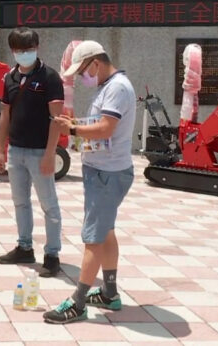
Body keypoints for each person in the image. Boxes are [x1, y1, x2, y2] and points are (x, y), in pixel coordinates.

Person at [44, 41, 136, 324]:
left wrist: (73, 128)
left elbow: (107, 128)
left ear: (96, 62)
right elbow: (100, 124)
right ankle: (109, 293)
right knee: (105, 231)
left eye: (83, 71)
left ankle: (78, 302)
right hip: (104, 171)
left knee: (93, 238)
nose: (83, 77)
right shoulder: (108, 86)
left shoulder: (118, 88)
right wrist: (76, 124)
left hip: (107, 174)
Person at [0, 27, 63, 277]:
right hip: (16, 151)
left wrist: (50, 154)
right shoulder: (10, 78)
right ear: (13, 51)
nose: (25, 54)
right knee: (20, 202)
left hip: (39, 151)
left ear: (37, 48)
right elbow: (5, 115)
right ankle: (25, 247)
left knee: (49, 205)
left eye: (29, 49)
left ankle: (52, 254)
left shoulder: (49, 77)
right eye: (20, 50)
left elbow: (57, 119)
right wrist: (0, 150)